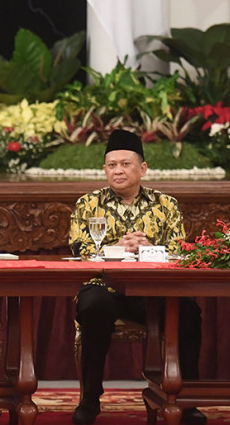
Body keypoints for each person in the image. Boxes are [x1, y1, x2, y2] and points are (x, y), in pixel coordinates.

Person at [68, 130, 205, 425]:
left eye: (125, 164)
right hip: (101, 285)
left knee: (189, 310)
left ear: (142, 168)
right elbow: (79, 248)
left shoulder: (166, 205)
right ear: (104, 169)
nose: (117, 170)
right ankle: (90, 398)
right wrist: (113, 249)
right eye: (111, 165)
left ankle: (187, 399)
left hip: (152, 289)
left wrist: (150, 249)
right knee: (94, 307)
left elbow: (181, 251)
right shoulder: (87, 204)